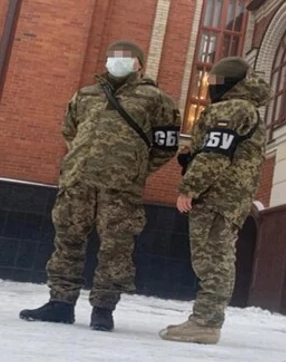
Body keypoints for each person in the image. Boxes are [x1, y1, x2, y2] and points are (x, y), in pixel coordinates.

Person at [20, 40, 181, 332]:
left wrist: (135, 170)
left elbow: (166, 145)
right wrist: (80, 163)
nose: (116, 61)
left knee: (115, 248)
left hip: (121, 189)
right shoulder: (86, 94)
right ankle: (60, 303)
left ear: (139, 64)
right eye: (112, 57)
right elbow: (70, 130)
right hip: (78, 182)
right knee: (67, 241)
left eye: (125, 58)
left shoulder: (155, 99)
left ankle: (103, 309)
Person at [160, 56, 271, 344]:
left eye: (215, 81)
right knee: (214, 258)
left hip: (217, 197)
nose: (211, 87)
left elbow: (215, 154)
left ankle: (206, 323)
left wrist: (189, 187)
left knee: (213, 260)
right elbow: (217, 150)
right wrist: (191, 156)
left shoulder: (233, 108)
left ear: (229, 83)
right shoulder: (242, 109)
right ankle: (205, 320)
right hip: (227, 197)